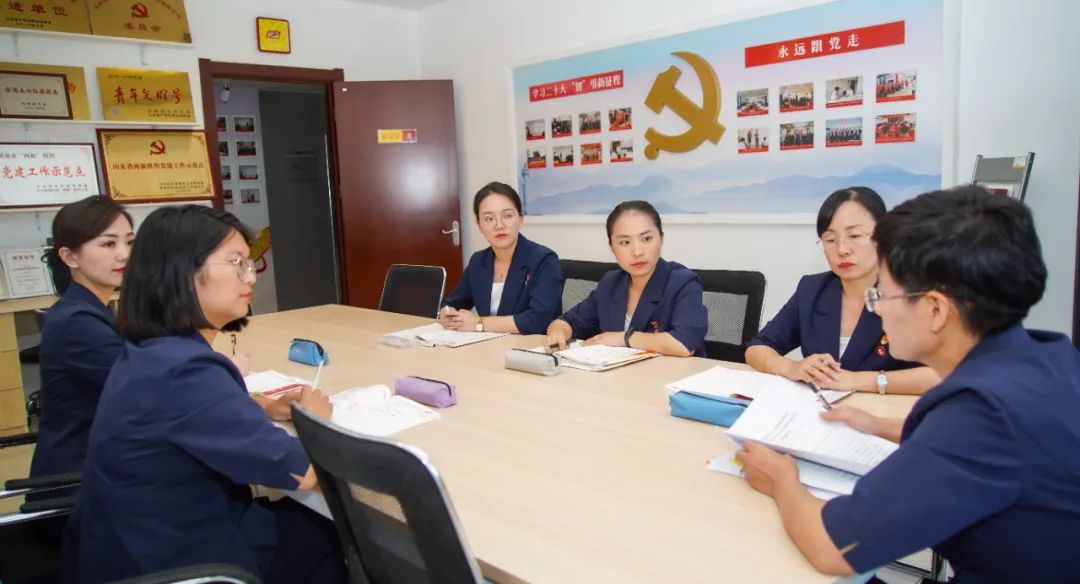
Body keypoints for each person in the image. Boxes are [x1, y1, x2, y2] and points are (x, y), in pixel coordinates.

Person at [736, 186, 1080, 581]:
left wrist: (782, 479)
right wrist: (878, 425)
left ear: (935, 309)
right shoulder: (1046, 355)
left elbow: (833, 548)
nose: (878, 309)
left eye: (884, 295)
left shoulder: (980, 414)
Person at [60, 205, 344, 583]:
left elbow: (192, 415)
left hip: (132, 544)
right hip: (181, 562)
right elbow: (301, 472)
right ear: (183, 272)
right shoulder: (186, 371)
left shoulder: (154, 349)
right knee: (334, 536)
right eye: (237, 262)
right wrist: (316, 419)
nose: (250, 277)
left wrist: (259, 407)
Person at [745, 187, 938, 394]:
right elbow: (757, 348)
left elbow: (947, 373)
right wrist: (792, 367)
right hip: (821, 409)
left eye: (854, 235)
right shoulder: (812, 290)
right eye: (830, 239)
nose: (842, 249)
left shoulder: (915, 293)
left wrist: (859, 380)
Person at [30, 196, 133, 479]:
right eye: (108, 244)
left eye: (129, 242)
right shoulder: (76, 322)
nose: (124, 255)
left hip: (103, 459)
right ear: (70, 257)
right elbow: (142, 387)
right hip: (78, 478)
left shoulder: (92, 308)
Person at [546, 200, 707, 357]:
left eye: (646, 239)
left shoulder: (683, 283)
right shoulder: (611, 283)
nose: (637, 252)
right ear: (611, 247)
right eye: (625, 242)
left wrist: (623, 338)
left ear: (661, 238)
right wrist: (558, 332)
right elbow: (568, 321)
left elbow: (684, 344)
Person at [439, 182, 562, 334]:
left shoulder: (544, 260)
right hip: (489, 344)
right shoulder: (478, 261)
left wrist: (478, 323)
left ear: (520, 219)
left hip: (530, 345)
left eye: (507, 216)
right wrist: (447, 313)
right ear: (479, 225)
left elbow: (538, 320)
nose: (499, 225)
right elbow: (452, 303)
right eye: (489, 218)